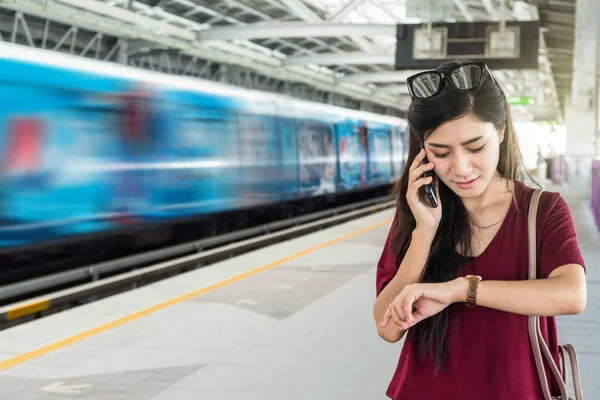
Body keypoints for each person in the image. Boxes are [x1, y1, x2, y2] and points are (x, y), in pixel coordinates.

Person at [372, 60, 587, 400]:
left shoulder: (542, 211)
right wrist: (424, 231)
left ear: (501, 132)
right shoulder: (418, 214)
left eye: (475, 148)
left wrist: (460, 290)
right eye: (441, 153)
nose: (460, 168)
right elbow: (387, 327)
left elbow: (572, 295)